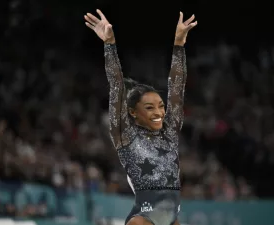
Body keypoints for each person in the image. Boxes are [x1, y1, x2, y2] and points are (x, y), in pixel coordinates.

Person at [84, 9, 197, 225]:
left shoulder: (170, 132)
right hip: (143, 218)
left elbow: (176, 89)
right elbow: (116, 86)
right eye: (149, 108)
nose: (159, 113)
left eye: (161, 106)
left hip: (172, 218)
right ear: (133, 113)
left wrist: (179, 45)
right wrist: (109, 45)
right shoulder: (125, 135)